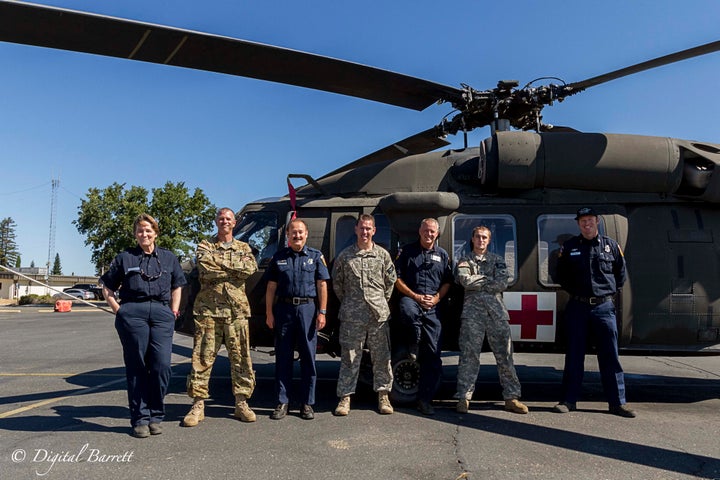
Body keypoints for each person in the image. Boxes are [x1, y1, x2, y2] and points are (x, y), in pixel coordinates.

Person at [101, 213, 187, 438]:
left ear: (155, 233)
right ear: (135, 234)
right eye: (140, 230)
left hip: (161, 313)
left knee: (161, 366)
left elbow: (178, 285)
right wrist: (118, 310)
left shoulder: (169, 258)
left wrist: (173, 310)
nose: (144, 234)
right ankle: (140, 418)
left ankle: (156, 414)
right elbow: (107, 286)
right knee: (137, 366)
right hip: (133, 313)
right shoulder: (125, 258)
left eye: (148, 230)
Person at [554, 207, 636, 418]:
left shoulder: (611, 246)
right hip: (578, 306)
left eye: (590, 220)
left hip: (603, 308)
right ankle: (568, 401)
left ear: (597, 221)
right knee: (574, 355)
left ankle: (618, 403)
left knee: (610, 356)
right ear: (578, 224)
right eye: (582, 221)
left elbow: (621, 276)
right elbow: (560, 275)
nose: (586, 224)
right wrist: (578, 293)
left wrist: (604, 295)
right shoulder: (570, 246)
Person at [183, 208, 258, 427]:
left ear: (234, 223)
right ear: (216, 222)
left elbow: (250, 268)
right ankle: (198, 405)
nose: (225, 221)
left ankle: (241, 403)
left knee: (241, 358)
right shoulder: (205, 246)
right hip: (208, 312)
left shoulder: (243, 247)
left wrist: (221, 264)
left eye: (228, 218)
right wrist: (234, 269)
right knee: (202, 359)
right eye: (221, 218)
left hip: (236, 312)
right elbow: (205, 268)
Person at [454, 226, 528, 415]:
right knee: (469, 358)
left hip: (497, 314)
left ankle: (512, 397)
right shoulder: (464, 260)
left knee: (505, 356)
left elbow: (503, 282)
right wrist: (488, 280)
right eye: (478, 237)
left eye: (484, 237)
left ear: (489, 240)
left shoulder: (498, 260)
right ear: (472, 239)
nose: (481, 240)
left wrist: (477, 281)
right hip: (472, 316)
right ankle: (464, 397)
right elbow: (464, 281)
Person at [264, 218, 330, 420]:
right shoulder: (279, 257)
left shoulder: (316, 257)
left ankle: (307, 403)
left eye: (300, 232)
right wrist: (269, 313)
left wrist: (322, 312)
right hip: (284, 309)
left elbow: (322, 285)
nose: (297, 235)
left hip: (308, 309)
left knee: (308, 358)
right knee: (283, 358)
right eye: (293, 232)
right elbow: (271, 288)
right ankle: (282, 402)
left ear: (306, 234)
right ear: (288, 236)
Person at [332, 214, 396, 416]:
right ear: (356, 230)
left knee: (381, 357)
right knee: (350, 358)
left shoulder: (383, 255)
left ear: (374, 231)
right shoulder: (345, 256)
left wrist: (380, 301)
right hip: (352, 316)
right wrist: (352, 303)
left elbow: (390, 282)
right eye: (362, 228)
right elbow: (337, 284)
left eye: (368, 228)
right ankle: (345, 398)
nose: (365, 232)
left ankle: (383, 396)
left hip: (378, 315)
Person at [394, 218, 453, 415]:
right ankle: (415, 341)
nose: (429, 234)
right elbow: (397, 278)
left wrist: (436, 298)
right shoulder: (407, 252)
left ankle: (425, 400)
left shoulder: (443, 255)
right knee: (407, 311)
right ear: (420, 231)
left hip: (433, 306)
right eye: (426, 230)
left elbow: (447, 282)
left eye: (432, 232)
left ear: (437, 234)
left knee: (433, 355)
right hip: (412, 298)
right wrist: (415, 296)